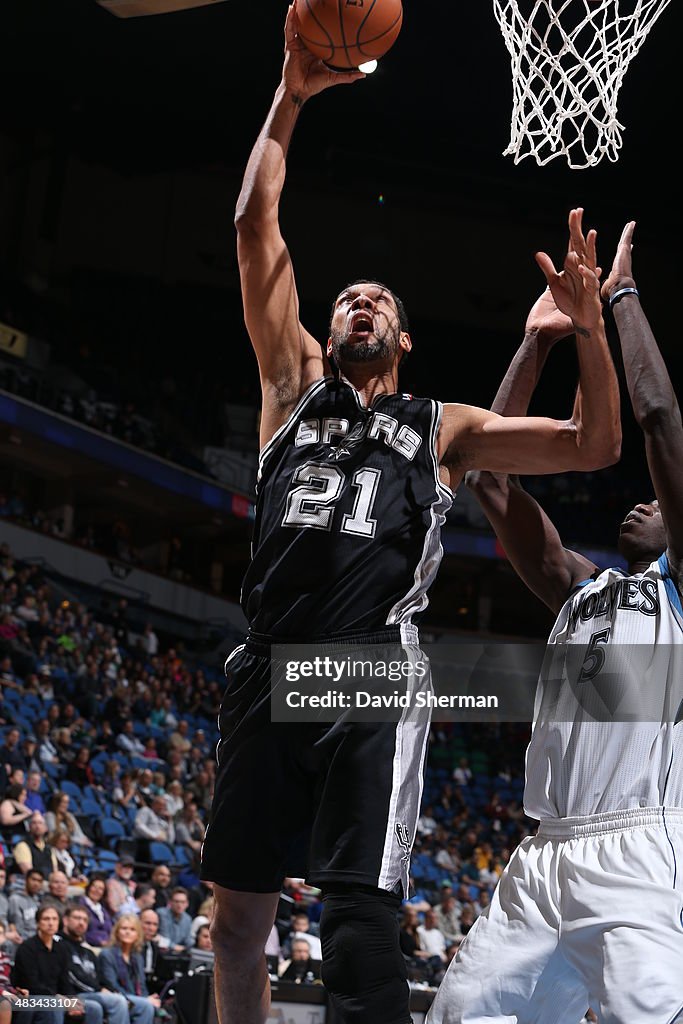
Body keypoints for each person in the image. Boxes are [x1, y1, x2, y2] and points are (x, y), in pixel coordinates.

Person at [199, 8, 621, 1024]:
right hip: (266, 655)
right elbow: (254, 227)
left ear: (403, 338)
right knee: (237, 925)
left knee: (354, 926)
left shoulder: (441, 429)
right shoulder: (290, 380)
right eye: (347, 295)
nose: (359, 303)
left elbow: (589, 445)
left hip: (364, 663)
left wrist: (590, 333)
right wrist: (290, 98)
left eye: (377, 300)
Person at [426, 222, 683, 1023]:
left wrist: (616, 304)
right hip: (541, 859)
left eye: (656, 504)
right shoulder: (580, 588)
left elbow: (660, 426)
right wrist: (539, 341)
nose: (638, 504)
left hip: (641, 851)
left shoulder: (677, 595)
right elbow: (490, 483)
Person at [10, 904, 91, 1024]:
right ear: (38, 923)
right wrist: (57, 997)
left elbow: (65, 980)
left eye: (54, 919)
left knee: (93, 1007)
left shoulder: (61, 948)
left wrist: (71, 998)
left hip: (54, 997)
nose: (51, 923)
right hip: (29, 997)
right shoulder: (27, 948)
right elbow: (31, 983)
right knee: (55, 1005)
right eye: (46, 919)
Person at [59, 904, 129, 1024]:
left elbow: (101, 977)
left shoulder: (88, 951)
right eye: (77, 918)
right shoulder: (60, 945)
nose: (81, 923)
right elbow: (72, 975)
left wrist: (113, 990)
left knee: (140, 1004)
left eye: (85, 920)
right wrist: (99, 989)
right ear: (65, 920)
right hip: (76, 993)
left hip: (92, 993)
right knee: (117, 1002)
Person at [98, 914, 162, 1024]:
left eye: (132, 929)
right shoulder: (107, 954)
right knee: (146, 1006)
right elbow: (112, 985)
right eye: (124, 928)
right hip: (116, 997)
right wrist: (145, 1000)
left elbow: (141, 985)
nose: (128, 932)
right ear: (117, 932)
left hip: (134, 999)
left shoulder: (137, 957)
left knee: (156, 1007)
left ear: (137, 935)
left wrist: (147, 997)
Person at [77, 876, 115, 948]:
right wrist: (99, 942)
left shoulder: (103, 910)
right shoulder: (80, 905)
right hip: (88, 945)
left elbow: (111, 929)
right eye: (94, 886)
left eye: (101, 889)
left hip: (107, 946)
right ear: (89, 888)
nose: (97, 891)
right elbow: (81, 932)